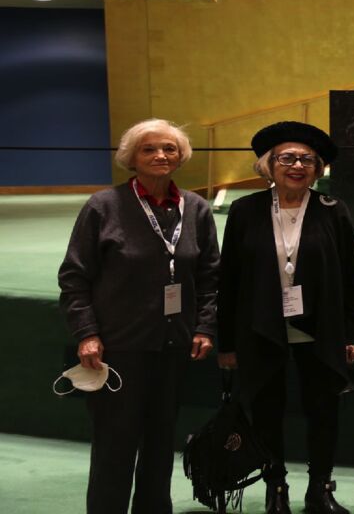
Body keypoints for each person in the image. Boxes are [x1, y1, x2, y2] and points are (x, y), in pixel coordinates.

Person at [58, 118, 219, 514]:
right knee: (115, 446)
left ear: (180, 156)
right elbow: (74, 277)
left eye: (169, 148)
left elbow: (210, 276)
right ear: (131, 158)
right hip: (117, 348)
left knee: (161, 444)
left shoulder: (195, 209)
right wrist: (86, 333)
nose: (160, 155)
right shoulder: (103, 206)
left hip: (173, 347)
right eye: (149, 149)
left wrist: (203, 325)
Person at [216, 121, 354, 514]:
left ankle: (320, 488)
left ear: (317, 169)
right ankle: (275, 488)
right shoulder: (244, 210)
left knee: (324, 410)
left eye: (306, 160)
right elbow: (227, 278)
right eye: (286, 158)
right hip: (261, 328)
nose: (296, 166)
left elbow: (353, 277)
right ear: (269, 164)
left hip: (320, 329)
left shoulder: (333, 210)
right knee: (266, 410)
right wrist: (226, 342)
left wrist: (353, 334)